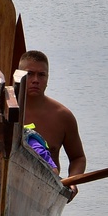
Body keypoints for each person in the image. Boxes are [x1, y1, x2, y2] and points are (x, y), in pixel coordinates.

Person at [18, 50, 86, 198]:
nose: (35, 80)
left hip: (45, 194)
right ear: (18, 76)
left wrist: (72, 183)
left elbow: (78, 158)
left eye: (41, 75)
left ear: (47, 78)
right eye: (29, 74)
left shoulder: (63, 116)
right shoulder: (1, 109)